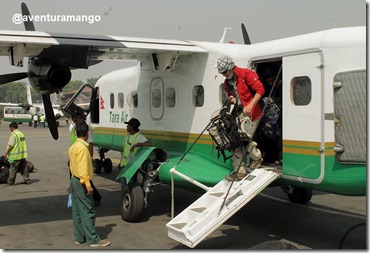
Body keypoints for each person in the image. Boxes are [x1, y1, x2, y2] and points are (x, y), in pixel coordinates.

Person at [217, 55, 265, 181]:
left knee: (243, 138)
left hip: (253, 113)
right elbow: (231, 95)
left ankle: (256, 157)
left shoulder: (246, 74)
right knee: (233, 140)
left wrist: (250, 104)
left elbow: (260, 89)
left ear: (231, 67)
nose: (224, 75)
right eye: (222, 73)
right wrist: (232, 99)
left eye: (225, 72)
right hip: (239, 113)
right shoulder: (227, 82)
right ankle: (240, 170)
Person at [68, 122, 110, 248]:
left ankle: (79, 237)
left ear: (76, 133)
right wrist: (88, 184)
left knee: (77, 211)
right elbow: (82, 168)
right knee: (88, 210)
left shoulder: (73, 146)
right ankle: (93, 240)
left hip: (74, 179)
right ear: (87, 134)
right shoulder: (83, 149)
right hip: (81, 181)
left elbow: (72, 165)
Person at [69, 112, 102, 206]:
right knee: (75, 176)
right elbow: (72, 142)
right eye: (73, 118)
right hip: (75, 154)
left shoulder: (87, 129)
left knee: (85, 178)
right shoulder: (73, 128)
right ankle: (78, 196)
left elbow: (90, 143)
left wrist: (90, 158)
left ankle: (95, 197)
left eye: (77, 118)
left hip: (83, 155)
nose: (74, 119)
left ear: (82, 118)